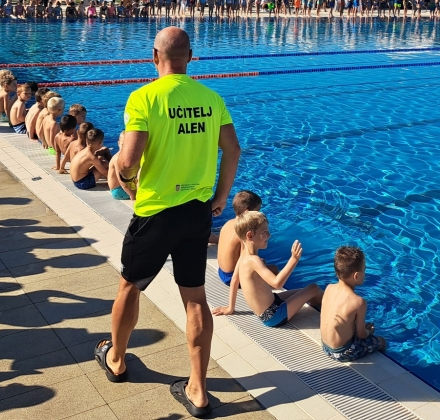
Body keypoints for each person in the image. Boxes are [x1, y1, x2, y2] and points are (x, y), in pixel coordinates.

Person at [97, 27, 240, 418]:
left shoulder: (143, 97)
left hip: (156, 212)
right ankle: (198, 390)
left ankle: (118, 361)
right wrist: (221, 197)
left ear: (153, 56)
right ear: (190, 56)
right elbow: (233, 150)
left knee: (130, 287)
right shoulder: (211, 98)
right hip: (196, 213)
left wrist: (128, 186)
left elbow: (127, 161)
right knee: (195, 299)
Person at [211, 210, 322, 329]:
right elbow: (277, 283)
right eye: (265, 232)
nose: (269, 235)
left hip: (270, 306)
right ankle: (331, 314)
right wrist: (294, 259)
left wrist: (230, 308)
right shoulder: (254, 260)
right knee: (313, 288)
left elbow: (234, 280)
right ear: (250, 235)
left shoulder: (244, 255)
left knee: (304, 291)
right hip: (274, 315)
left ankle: (319, 306)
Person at [319, 246, 386, 361]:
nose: (365, 273)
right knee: (381, 341)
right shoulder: (359, 302)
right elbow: (361, 335)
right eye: (364, 270)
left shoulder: (329, 288)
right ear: (356, 276)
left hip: (325, 347)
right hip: (342, 353)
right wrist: (369, 332)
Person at [216, 190, 268, 286]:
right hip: (232, 278)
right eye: (257, 211)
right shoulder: (243, 232)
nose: (259, 214)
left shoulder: (228, 223)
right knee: (273, 269)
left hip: (221, 272)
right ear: (247, 212)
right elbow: (245, 264)